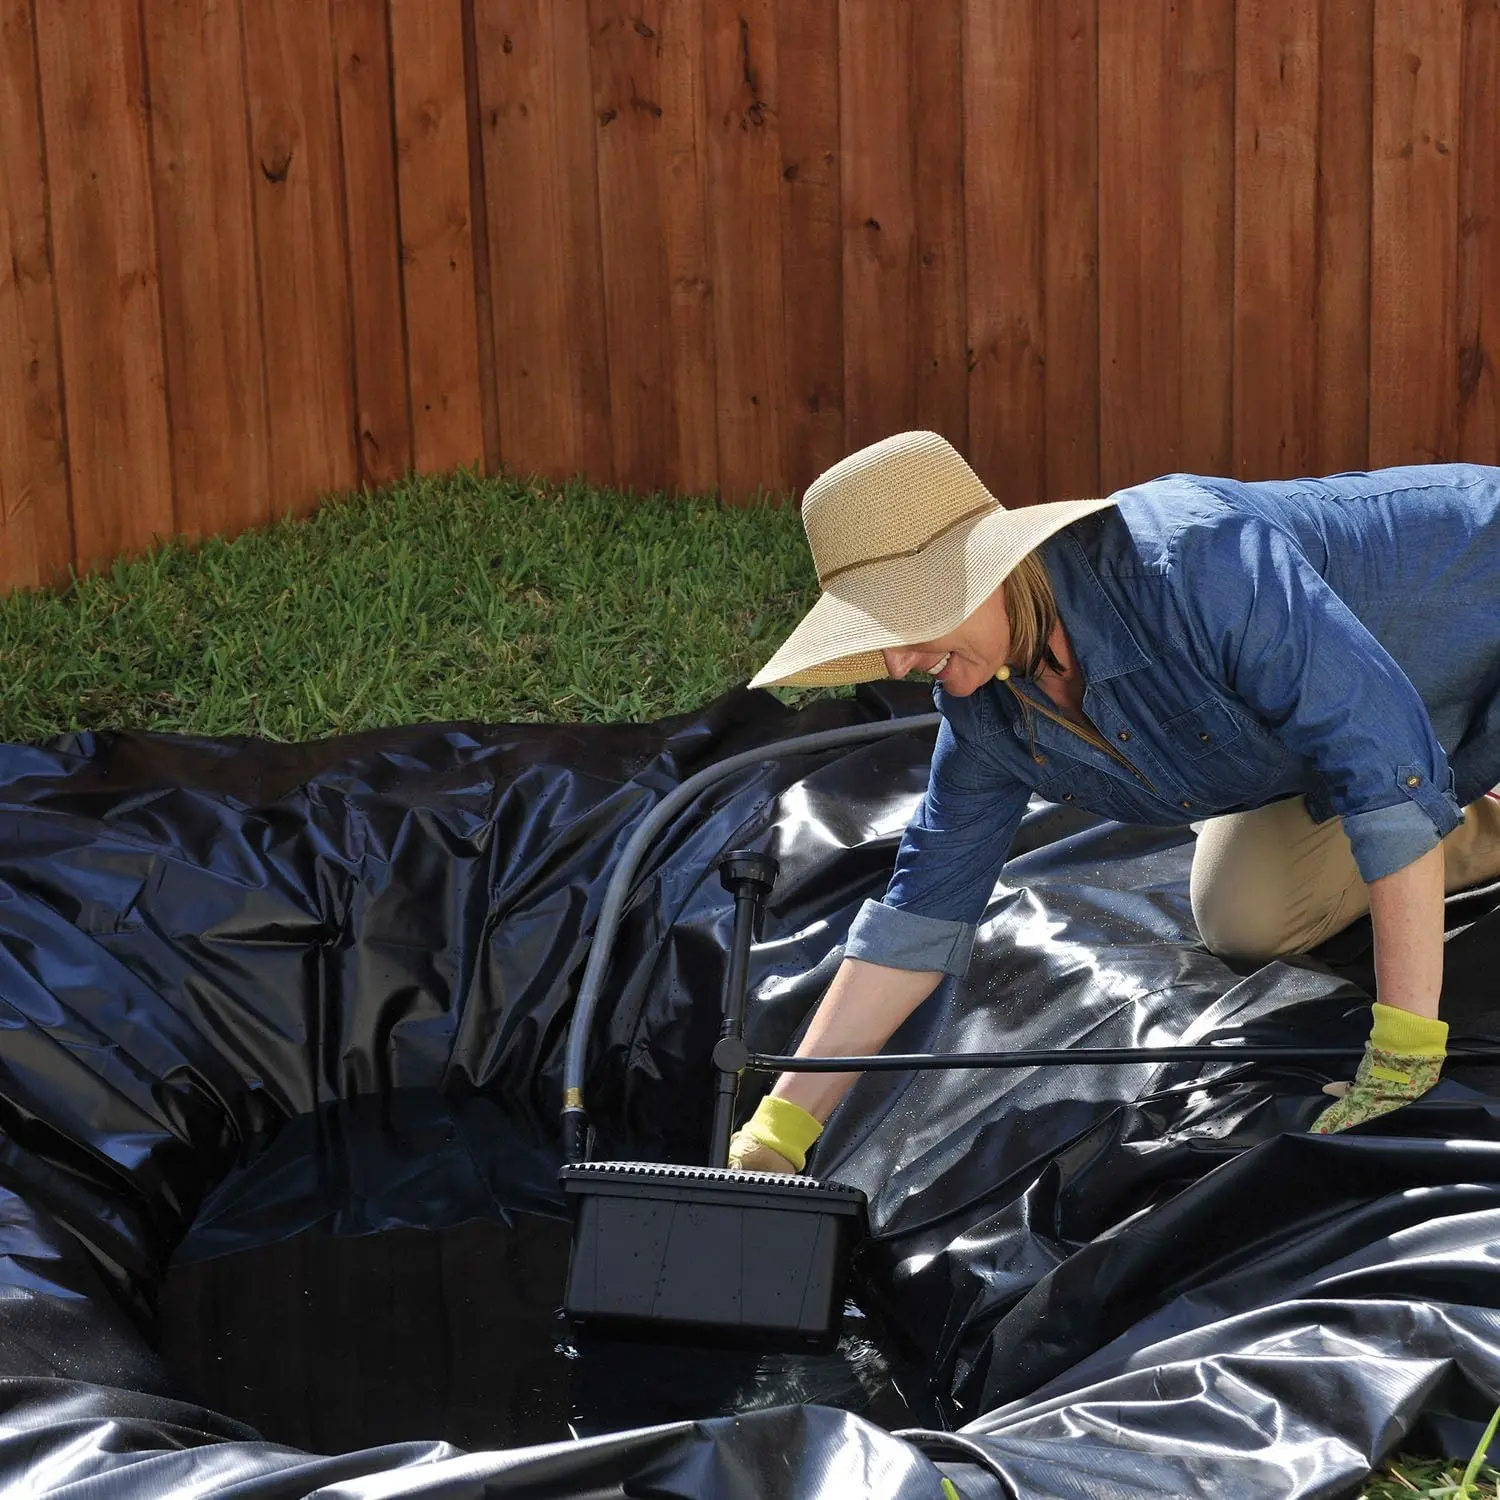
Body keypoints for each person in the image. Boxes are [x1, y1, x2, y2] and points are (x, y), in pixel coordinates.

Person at [726, 431, 1500, 1173]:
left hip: (1473, 634)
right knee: (1248, 914)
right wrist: (780, 1130)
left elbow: (1381, 767)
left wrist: (1403, 1053)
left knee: (1394, 797)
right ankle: (1473, 820)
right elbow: (921, 913)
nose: (897, 661)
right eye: (877, 635)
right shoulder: (991, 717)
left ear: (992, 572)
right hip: (1401, 740)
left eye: (909, 623)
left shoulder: (1196, 563)